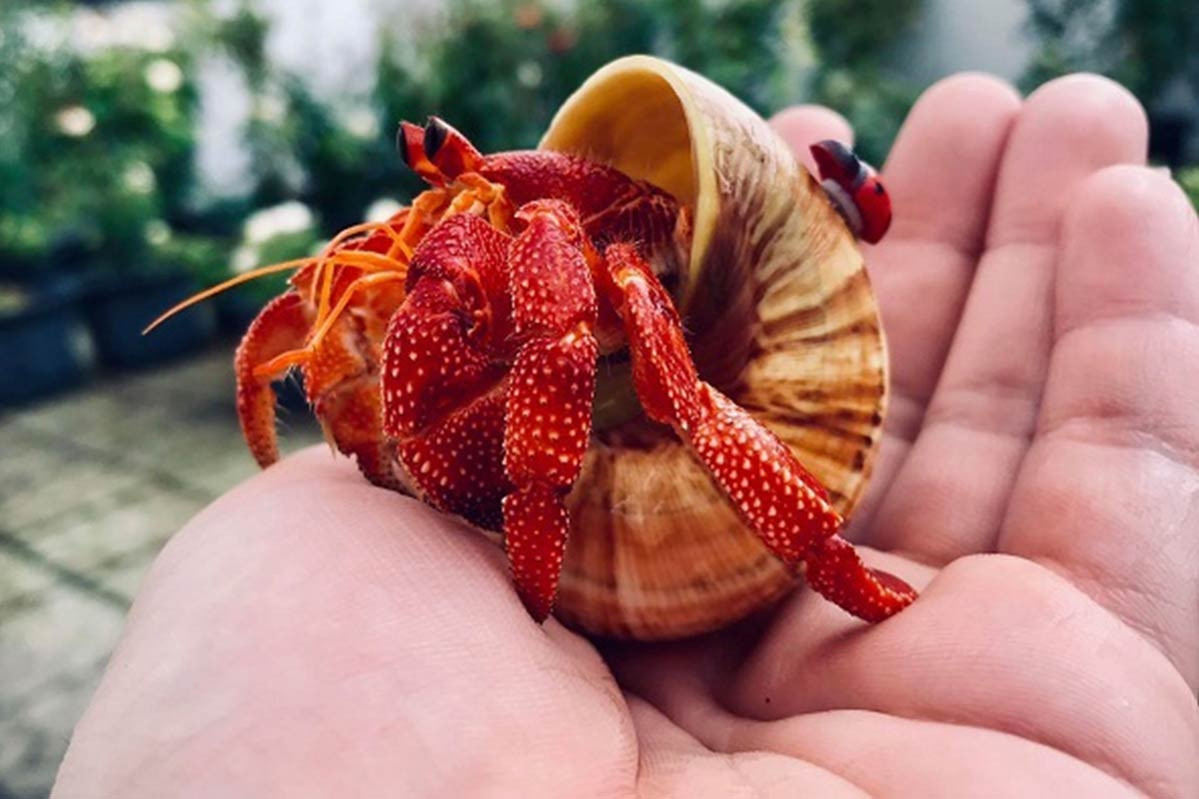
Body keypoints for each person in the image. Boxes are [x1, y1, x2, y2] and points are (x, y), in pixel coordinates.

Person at [53, 73, 1198, 797]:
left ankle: (814, 546)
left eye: (463, 181)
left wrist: (549, 507)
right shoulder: (496, 221)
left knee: (581, 305)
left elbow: (612, 350)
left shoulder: (577, 240)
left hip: (684, 347)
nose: (454, 209)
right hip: (608, 308)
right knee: (409, 253)